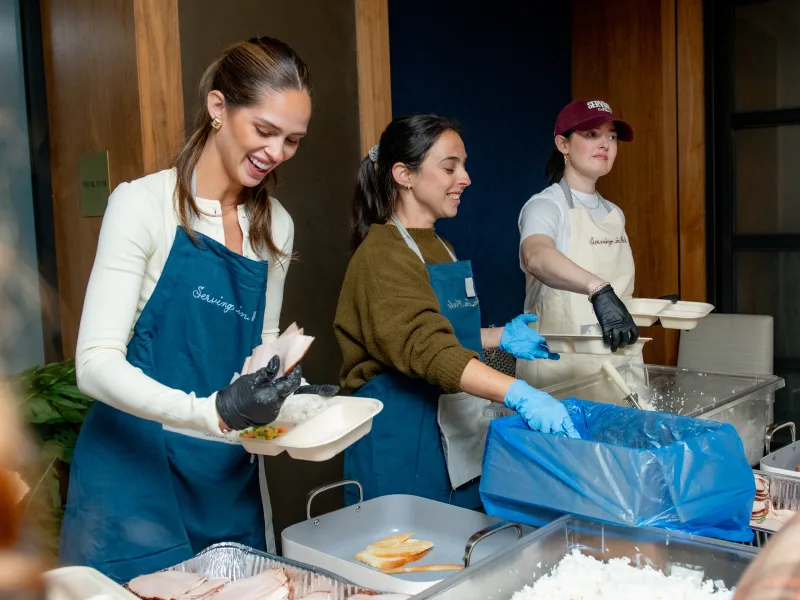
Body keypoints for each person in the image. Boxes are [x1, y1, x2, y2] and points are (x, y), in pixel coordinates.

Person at [59, 37, 337, 584]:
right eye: (264, 131)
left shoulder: (275, 225)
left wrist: (280, 390)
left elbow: (259, 340)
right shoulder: (143, 205)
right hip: (132, 488)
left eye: (293, 141)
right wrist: (214, 413)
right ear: (218, 108)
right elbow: (93, 365)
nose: (277, 153)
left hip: (223, 482)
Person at [334, 114, 579, 511]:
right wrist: (519, 393)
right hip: (401, 440)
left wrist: (497, 337)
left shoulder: (440, 246)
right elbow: (426, 348)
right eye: (450, 167)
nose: (465, 178)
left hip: (452, 437)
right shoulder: (381, 256)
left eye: (463, 166)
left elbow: (437, 330)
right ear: (404, 174)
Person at [516, 99, 640, 390]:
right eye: (592, 135)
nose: (605, 144)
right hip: (561, 373)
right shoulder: (546, 206)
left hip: (618, 366)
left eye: (611, 136)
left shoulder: (614, 213)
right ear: (563, 145)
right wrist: (598, 289)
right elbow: (536, 255)